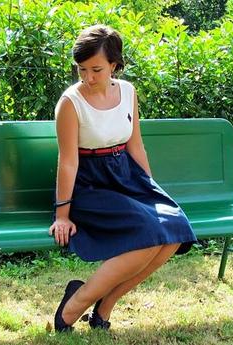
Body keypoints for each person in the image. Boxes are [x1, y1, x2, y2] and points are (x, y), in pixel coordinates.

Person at [48, 24, 197, 332]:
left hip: (126, 177)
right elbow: (67, 162)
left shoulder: (128, 92)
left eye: (97, 70)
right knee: (148, 232)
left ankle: (106, 305)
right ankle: (76, 302)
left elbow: (136, 145)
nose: (88, 77)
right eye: (82, 70)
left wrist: (151, 191)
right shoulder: (70, 103)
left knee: (176, 230)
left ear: (114, 65)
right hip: (88, 185)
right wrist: (62, 215)